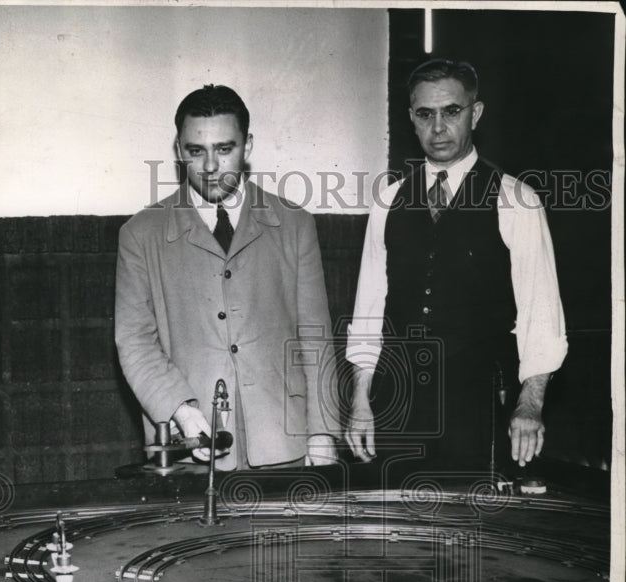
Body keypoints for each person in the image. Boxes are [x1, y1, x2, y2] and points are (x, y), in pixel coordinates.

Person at [345, 59, 567, 477]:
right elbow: (369, 311)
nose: (438, 127)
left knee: (475, 513)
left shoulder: (516, 201)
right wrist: (360, 401)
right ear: (411, 118)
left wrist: (530, 403)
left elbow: (541, 315)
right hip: (399, 405)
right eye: (425, 114)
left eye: (451, 111)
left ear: (475, 114)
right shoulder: (388, 202)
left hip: (480, 408)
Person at [115, 84, 340, 471]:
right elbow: (134, 341)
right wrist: (181, 411)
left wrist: (323, 433)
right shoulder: (140, 233)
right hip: (190, 446)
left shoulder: (295, 224)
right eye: (195, 151)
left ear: (247, 146)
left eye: (224, 149)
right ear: (178, 150)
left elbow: (315, 336)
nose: (209, 166)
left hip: (284, 443)